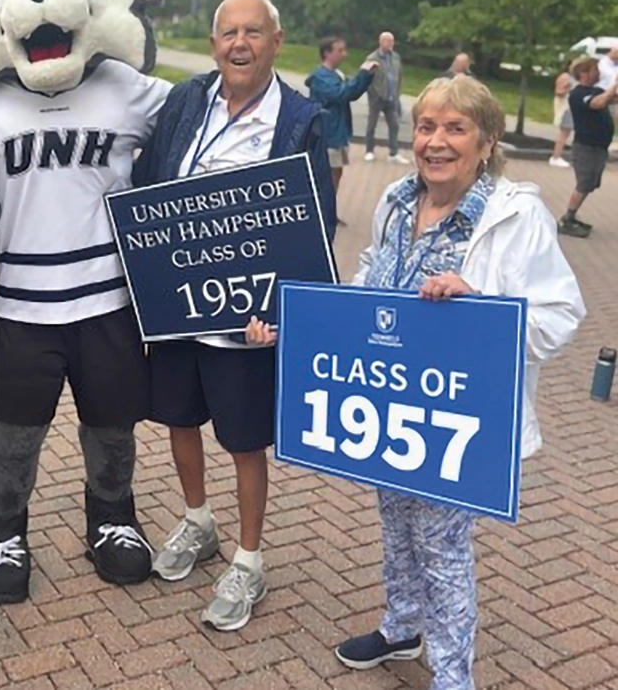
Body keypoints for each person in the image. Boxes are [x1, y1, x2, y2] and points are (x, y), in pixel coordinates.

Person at [250, 75, 584, 690]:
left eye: (455, 128)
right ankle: (402, 624)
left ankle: (453, 677)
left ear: (487, 141)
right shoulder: (399, 201)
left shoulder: (517, 215)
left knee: (443, 547)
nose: (436, 141)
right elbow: (371, 281)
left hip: (461, 415)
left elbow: (562, 316)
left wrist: (478, 302)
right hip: (392, 402)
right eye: (427, 126)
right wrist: (296, 327)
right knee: (396, 524)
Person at [0, 0, 174, 604]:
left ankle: (113, 518)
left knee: (113, 425)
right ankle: (2, 529)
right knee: (17, 432)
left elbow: (199, 121)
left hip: (109, 298)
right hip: (26, 304)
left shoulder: (126, 86)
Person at [132, 0, 336, 632]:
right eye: (227, 33)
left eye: (253, 32)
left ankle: (250, 557)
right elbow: (145, 185)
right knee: (178, 418)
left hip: (245, 315)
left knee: (245, 440)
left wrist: (280, 309)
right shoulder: (186, 100)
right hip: (178, 303)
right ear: (214, 41)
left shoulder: (300, 119)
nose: (238, 44)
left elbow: (315, 224)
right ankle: (198, 520)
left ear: (277, 41)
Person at [306, 36, 379, 220]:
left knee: (336, 172)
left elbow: (351, 93)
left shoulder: (336, 75)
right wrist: (363, 74)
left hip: (337, 132)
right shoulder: (320, 77)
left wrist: (367, 76)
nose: (344, 54)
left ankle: (327, 210)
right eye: (340, 50)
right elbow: (341, 93)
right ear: (327, 53)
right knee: (325, 174)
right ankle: (318, 212)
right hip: (327, 133)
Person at [558, 55, 618, 238]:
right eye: (595, 70)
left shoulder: (596, 90)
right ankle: (566, 219)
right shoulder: (579, 94)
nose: (598, 73)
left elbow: (609, 98)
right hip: (586, 147)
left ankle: (572, 215)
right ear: (584, 73)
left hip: (598, 146)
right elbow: (598, 103)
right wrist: (615, 85)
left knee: (590, 183)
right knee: (584, 183)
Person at [365, 31, 409, 164]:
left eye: (392, 41)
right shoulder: (372, 58)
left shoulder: (395, 57)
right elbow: (367, 78)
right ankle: (369, 151)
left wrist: (397, 93)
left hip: (392, 96)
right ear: (381, 42)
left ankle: (393, 152)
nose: (391, 44)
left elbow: (399, 75)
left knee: (394, 124)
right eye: (388, 41)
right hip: (377, 97)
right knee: (372, 124)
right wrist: (375, 94)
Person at [549, 65, 573, 168]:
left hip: (568, 107)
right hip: (565, 107)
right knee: (564, 132)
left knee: (566, 133)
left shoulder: (570, 77)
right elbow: (559, 92)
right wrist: (568, 89)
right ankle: (556, 156)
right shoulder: (566, 77)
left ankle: (557, 155)